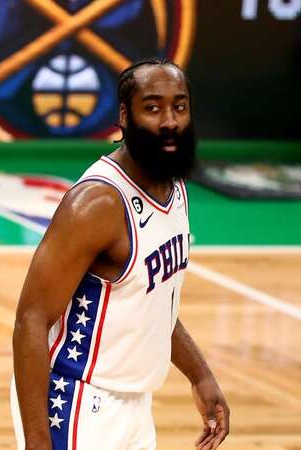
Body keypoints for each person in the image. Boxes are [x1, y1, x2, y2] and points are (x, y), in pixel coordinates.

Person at [11, 58, 230, 450]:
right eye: (153, 107)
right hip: (76, 401)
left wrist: (200, 375)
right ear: (125, 117)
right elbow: (31, 318)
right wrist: (38, 440)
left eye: (179, 106)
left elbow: (153, 303)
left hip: (134, 403)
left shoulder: (175, 188)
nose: (169, 120)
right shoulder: (97, 203)